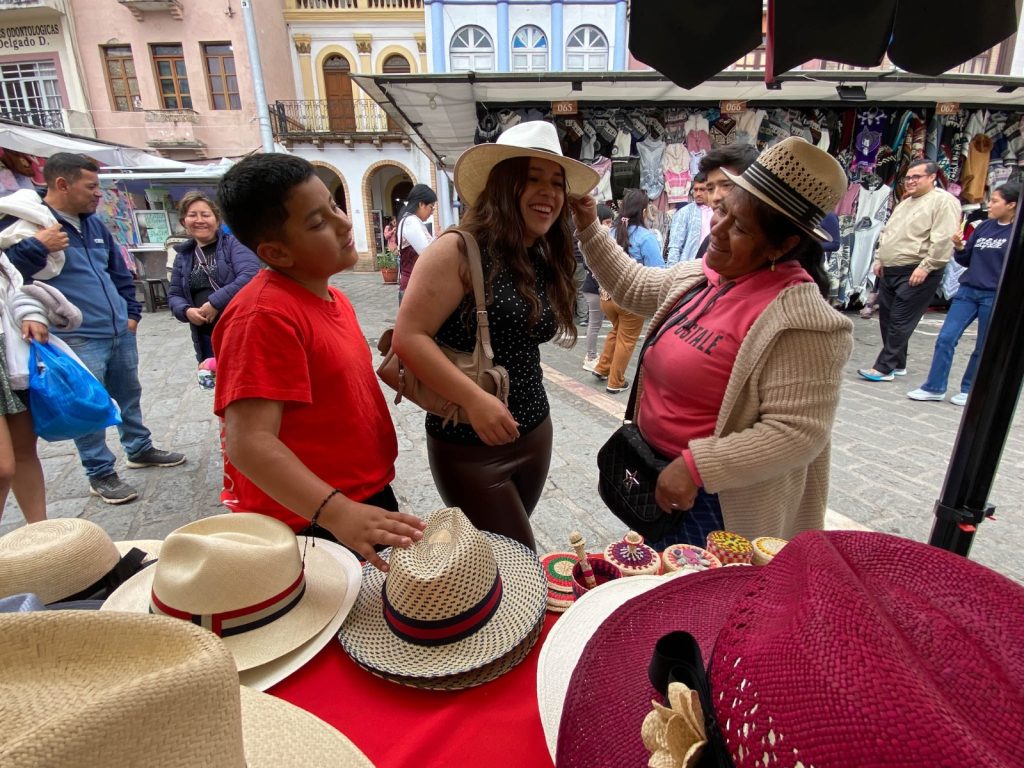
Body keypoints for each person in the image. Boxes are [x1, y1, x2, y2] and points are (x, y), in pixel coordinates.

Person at [570, 137, 853, 548]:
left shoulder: (804, 323)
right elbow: (632, 285)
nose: (716, 231)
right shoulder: (702, 276)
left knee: (697, 604)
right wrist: (587, 225)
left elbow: (797, 433)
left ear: (784, 244)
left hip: (717, 503)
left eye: (739, 227)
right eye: (721, 212)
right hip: (652, 470)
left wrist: (695, 467)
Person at [391, 121, 599, 550]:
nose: (549, 193)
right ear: (504, 186)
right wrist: (475, 400)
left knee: (501, 560)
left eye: (557, 183)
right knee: (517, 559)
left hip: (534, 431)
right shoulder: (456, 250)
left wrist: (590, 227)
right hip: (468, 443)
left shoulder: (538, 253)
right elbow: (408, 338)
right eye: (533, 179)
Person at [213, 153, 424, 570]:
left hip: (359, 499)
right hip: (310, 521)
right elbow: (248, 442)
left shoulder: (333, 296)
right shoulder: (264, 315)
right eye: (317, 223)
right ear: (277, 251)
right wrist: (336, 512)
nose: (344, 223)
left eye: (334, 205)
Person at [4, 153, 184, 505]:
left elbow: (118, 271)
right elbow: (9, 276)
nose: (97, 194)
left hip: (118, 330)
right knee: (87, 405)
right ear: (62, 184)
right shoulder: (31, 224)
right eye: (90, 187)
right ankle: (100, 472)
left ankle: (139, 448)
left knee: (128, 393)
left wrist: (131, 313)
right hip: (76, 336)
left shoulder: (94, 225)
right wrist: (37, 246)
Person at [907, 181, 1019, 405]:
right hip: (968, 291)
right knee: (946, 338)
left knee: (983, 345)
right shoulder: (984, 227)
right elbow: (966, 259)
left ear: (1011, 205)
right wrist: (959, 246)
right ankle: (935, 386)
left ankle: (970, 389)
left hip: (994, 296)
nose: (989, 205)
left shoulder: (1016, 233)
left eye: (995, 201)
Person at [858, 159, 961, 382]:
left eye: (917, 177)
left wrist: (927, 266)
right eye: (909, 177)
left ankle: (884, 367)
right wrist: (879, 258)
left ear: (932, 177)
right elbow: (888, 232)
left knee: (900, 319)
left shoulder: (943, 202)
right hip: (891, 269)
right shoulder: (905, 203)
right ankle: (898, 362)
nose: (911, 181)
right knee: (886, 317)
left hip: (917, 269)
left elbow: (943, 238)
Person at [167, 191, 260, 364]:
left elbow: (250, 275)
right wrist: (186, 311)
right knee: (218, 384)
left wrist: (215, 303)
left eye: (205, 215)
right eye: (192, 215)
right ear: (184, 222)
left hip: (240, 331)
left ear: (217, 221)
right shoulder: (184, 255)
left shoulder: (234, 245)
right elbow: (174, 294)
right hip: (206, 337)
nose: (199, 220)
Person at [589, 189, 665, 394]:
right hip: (632, 299)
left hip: (607, 297)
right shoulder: (645, 237)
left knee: (616, 331)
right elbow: (658, 269)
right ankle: (616, 381)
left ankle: (602, 368)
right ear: (643, 210)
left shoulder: (610, 231)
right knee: (627, 339)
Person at [0, 255, 49, 524]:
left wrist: (31, 312)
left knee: (24, 451)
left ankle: (39, 534)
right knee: (2, 468)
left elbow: (18, 287)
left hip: (12, 355)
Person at [694, 144, 761, 258]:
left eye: (726, 185)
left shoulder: (767, 240)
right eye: (710, 189)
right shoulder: (710, 243)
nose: (715, 197)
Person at [581, 204, 614, 370]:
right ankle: (590, 357)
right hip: (594, 289)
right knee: (594, 324)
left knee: (596, 324)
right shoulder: (592, 241)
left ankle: (592, 355)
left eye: (610, 223)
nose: (608, 226)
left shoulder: (602, 239)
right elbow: (593, 268)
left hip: (595, 288)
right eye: (606, 222)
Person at [395, 184, 437, 304]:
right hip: (413, 287)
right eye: (431, 207)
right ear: (421, 204)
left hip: (414, 285)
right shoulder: (410, 222)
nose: (432, 212)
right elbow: (427, 253)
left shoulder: (412, 221)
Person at [665, 172, 713, 264]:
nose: (698, 193)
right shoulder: (684, 213)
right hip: (689, 267)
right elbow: (675, 246)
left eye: (702, 189)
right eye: (695, 190)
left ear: (710, 190)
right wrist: (672, 273)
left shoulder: (718, 211)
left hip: (714, 267)